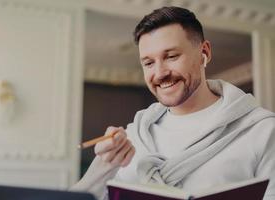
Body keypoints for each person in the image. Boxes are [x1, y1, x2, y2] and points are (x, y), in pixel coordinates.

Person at [72, 6, 275, 200]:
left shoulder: (264, 131)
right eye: (149, 63)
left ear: (204, 53)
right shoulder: (132, 138)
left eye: (171, 56)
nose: (160, 73)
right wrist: (103, 168)